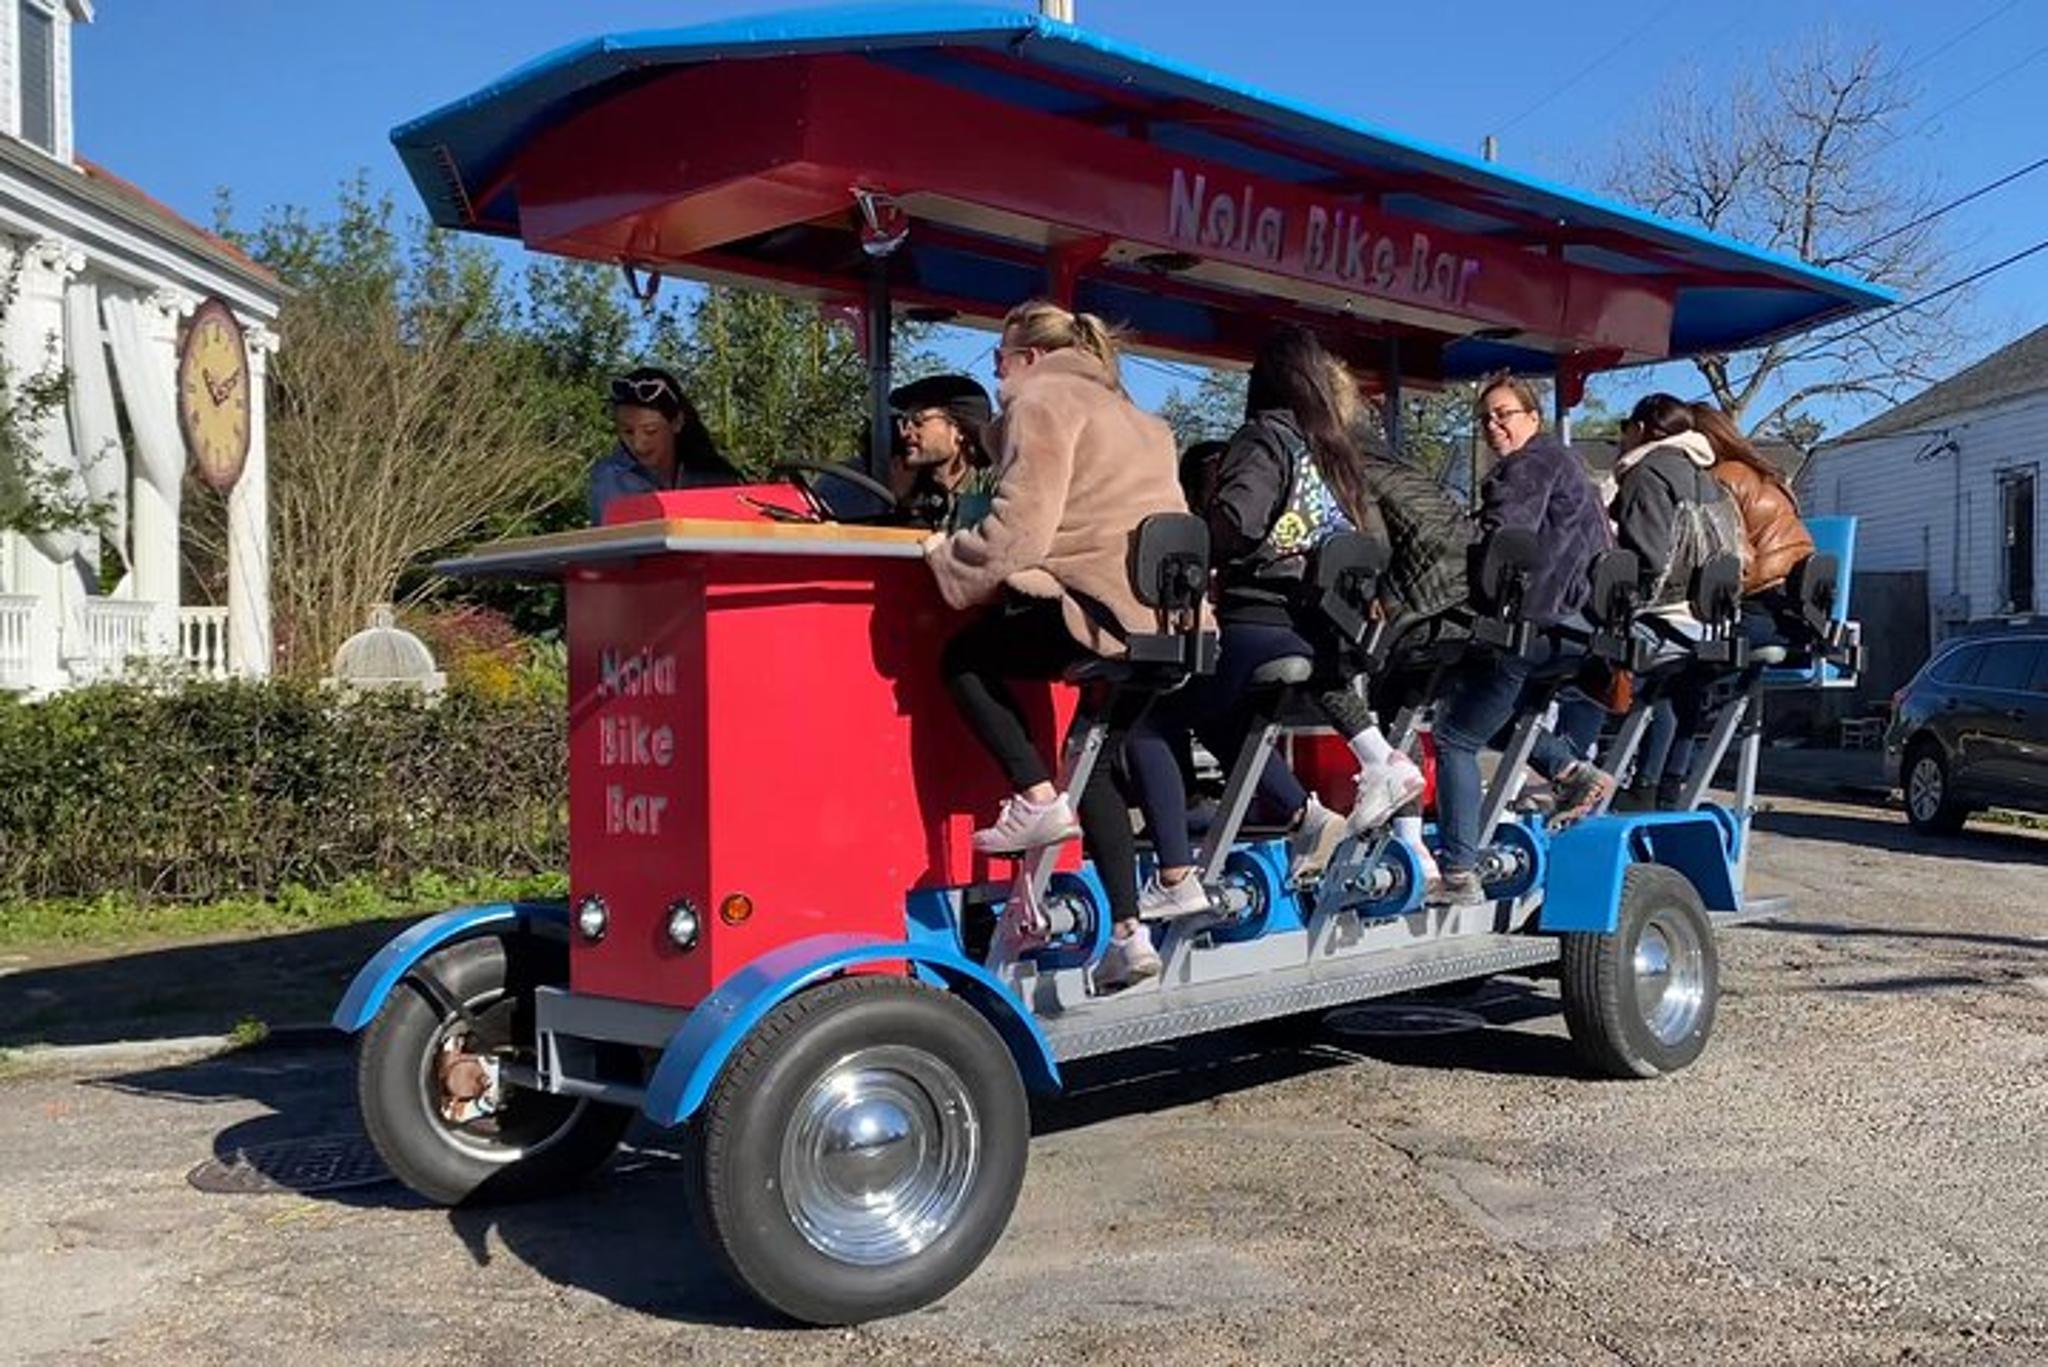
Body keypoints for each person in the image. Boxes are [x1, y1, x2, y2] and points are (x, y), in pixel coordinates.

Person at [925, 300, 1193, 990]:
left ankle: (1035, 794)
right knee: (1092, 757)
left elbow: (1021, 530)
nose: (997, 373)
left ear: (1032, 358)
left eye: (1000, 359)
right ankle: (1130, 938)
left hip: (1095, 607)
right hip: (1167, 628)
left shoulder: (1043, 400)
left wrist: (947, 557)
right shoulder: (1141, 416)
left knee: (965, 658)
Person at [1122, 327, 1434, 920]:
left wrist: (1198, 533)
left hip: (1255, 618)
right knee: (1218, 717)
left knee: (1145, 719)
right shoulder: (1333, 451)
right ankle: (1308, 817)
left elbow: (1239, 520)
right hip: (1313, 627)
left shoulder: (1265, 439)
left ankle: (1173, 875)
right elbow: (1370, 541)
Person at [1430, 374, 1615, 904]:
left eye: (1504, 414)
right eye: (1485, 418)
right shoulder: (1570, 464)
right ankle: (1572, 770)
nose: (1493, 426)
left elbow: (1506, 537)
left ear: (1533, 418)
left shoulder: (1527, 465)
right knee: (1496, 715)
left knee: (1454, 735)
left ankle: (1459, 872)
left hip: (1536, 620)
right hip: (1578, 629)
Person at [1618, 398, 1783, 807]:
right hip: (1731, 612)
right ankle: (1664, 788)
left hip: (1697, 610)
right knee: (1683, 680)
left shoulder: (1670, 474)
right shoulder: (1732, 478)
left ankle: (1586, 776)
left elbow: (1653, 559)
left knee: (1588, 674)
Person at [587, 367, 741, 522]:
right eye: (627, 431)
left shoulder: (713, 475)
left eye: (650, 431)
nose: (638, 444)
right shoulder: (611, 478)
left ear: (677, 422)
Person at [889, 374, 996, 527]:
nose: (905, 432)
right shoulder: (913, 491)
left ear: (959, 430)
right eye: (904, 422)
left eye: (918, 421)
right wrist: (901, 503)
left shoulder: (995, 487)